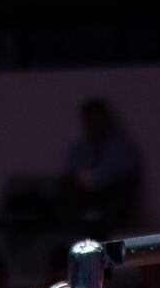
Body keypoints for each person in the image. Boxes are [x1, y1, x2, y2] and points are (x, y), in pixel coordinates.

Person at [58, 98, 141, 234]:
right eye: (90, 120)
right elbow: (68, 177)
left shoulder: (120, 147)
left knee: (115, 201)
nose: (94, 125)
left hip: (108, 197)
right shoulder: (78, 148)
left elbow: (128, 180)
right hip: (81, 199)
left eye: (97, 119)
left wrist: (101, 191)